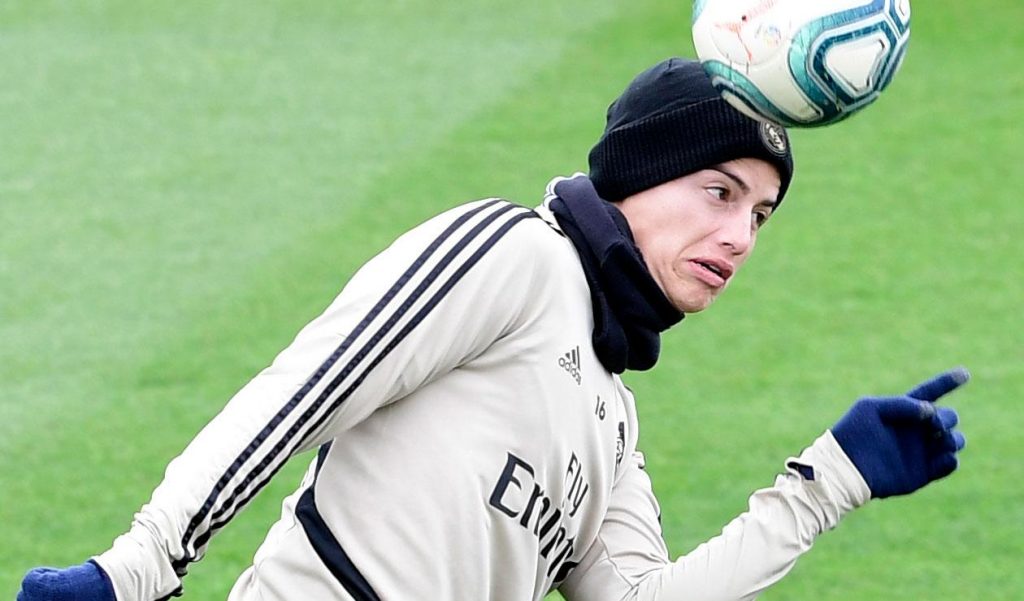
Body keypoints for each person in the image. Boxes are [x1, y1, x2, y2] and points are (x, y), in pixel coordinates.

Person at [17, 58, 967, 601]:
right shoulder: (515, 255)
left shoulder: (613, 421)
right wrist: (137, 566)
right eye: (719, 192)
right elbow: (302, 392)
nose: (739, 237)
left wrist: (825, 484)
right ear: (638, 174)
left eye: (759, 215)